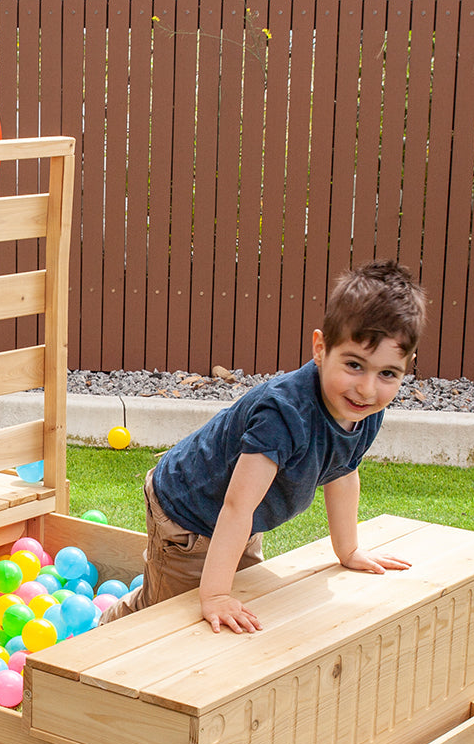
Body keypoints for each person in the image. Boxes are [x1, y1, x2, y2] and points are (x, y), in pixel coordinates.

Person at [100, 259, 429, 634]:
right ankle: (102, 628)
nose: (367, 388)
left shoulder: (363, 408)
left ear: (406, 367)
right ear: (320, 348)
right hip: (188, 512)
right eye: (354, 365)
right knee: (170, 616)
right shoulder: (284, 414)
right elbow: (236, 505)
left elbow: (343, 470)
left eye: (387, 373)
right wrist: (215, 595)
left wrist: (348, 550)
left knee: (243, 602)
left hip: (241, 514)